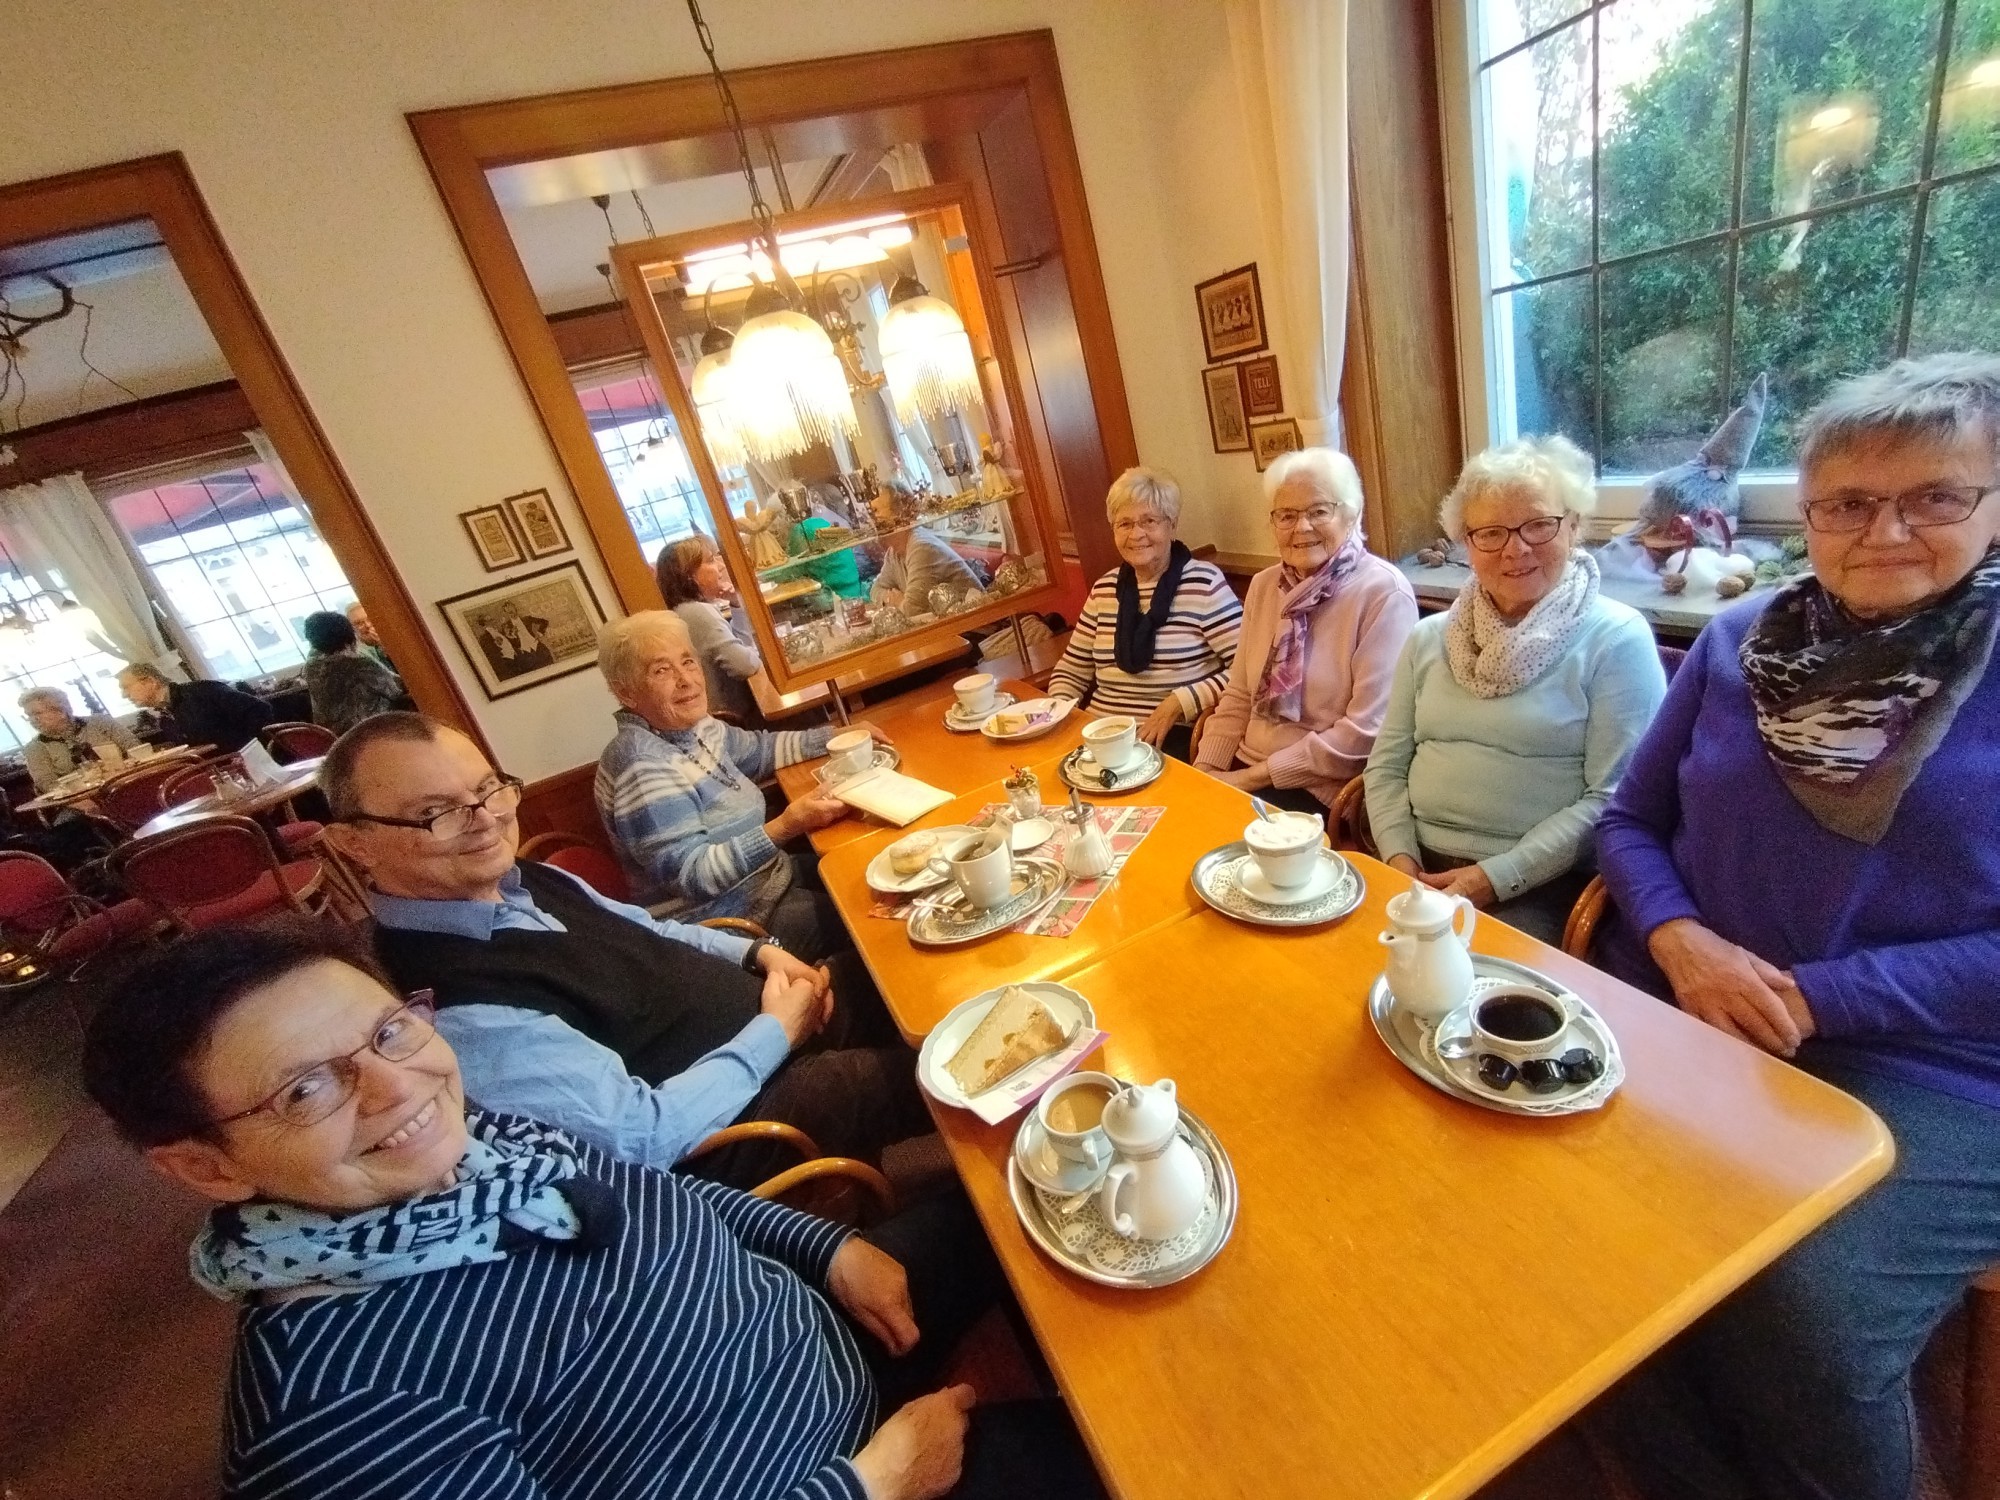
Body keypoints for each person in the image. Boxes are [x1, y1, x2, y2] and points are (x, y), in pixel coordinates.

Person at [81, 921, 1105, 1500]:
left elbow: (662, 1193)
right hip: (832, 1472)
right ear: (204, 1167)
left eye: (389, 1033)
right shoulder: (334, 1418)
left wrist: (827, 1249)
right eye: (307, 1089)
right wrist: (870, 1485)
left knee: (1036, 1203)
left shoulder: (480, 1145)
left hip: (831, 1330)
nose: (396, 1088)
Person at [1593, 354, 2000, 1500]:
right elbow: (1627, 821)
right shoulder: (1734, 641)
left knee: (1801, 1305)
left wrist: (1816, 997)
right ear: (1806, 516)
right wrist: (1678, 941)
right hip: (1695, 1010)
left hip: (1936, 1063)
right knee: (1582, 1223)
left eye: (1933, 496)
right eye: (1845, 503)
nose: (1883, 531)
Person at [320, 712, 929, 1186]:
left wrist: (758, 955)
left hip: (769, 1020)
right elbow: (642, 1137)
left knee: (896, 967)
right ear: (354, 844)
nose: (483, 818)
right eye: (435, 812)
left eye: (488, 789)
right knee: (928, 1076)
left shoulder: (520, 878)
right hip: (739, 1121)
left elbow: (651, 929)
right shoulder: (454, 1004)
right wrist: (776, 1033)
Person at [1362, 437, 1666, 943]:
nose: (1515, 548)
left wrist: (1491, 879)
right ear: (1466, 543)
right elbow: (1386, 765)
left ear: (1574, 526)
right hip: (1408, 863)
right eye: (1491, 533)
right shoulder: (1429, 638)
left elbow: (1612, 798)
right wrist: (1400, 864)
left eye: (1538, 524)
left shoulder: (1616, 639)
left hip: (1535, 884)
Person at [594, 610, 888, 959]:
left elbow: (759, 750)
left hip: (767, 879)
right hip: (727, 923)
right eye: (661, 670)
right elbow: (695, 876)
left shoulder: (692, 728)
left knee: (869, 870)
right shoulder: (641, 765)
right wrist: (786, 825)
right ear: (626, 692)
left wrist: (836, 737)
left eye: (688, 662)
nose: (685, 679)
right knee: (872, 921)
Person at [1193, 448, 1418, 816]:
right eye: (1287, 515)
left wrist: (1248, 779)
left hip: (1320, 790)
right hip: (1244, 768)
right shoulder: (1264, 586)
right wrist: (1205, 771)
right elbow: (1238, 695)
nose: (1301, 527)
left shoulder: (1383, 594)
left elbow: (1365, 732)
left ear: (1352, 514)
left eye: (1318, 511)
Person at [1045, 466, 1242, 761]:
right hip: (1099, 734)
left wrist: (1180, 701)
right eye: (1124, 524)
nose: (1136, 534)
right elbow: (1071, 670)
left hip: (1168, 736)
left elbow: (1248, 670)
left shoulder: (1204, 584)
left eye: (1149, 521)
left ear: (1172, 525)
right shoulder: (1104, 589)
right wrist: (1060, 716)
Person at [656, 533, 763, 724]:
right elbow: (745, 666)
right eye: (711, 560)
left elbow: (742, 650)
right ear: (689, 576)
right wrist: (755, 653)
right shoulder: (698, 613)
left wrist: (736, 605)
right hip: (732, 722)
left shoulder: (688, 609)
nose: (720, 566)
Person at [117, 662, 275, 754]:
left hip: (261, 762)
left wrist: (251, 752)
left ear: (150, 682)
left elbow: (260, 709)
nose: (124, 695)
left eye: (126, 687)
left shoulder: (203, 691)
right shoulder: (165, 720)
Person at [868, 481, 980, 609]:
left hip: (977, 618)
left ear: (899, 513)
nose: (872, 520)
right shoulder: (893, 553)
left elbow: (911, 610)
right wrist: (890, 599)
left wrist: (899, 603)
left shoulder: (922, 549)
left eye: (876, 511)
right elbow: (875, 590)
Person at [301, 610, 407, 734]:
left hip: (335, 735)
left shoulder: (310, 666)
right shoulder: (356, 662)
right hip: (372, 729)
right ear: (348, 633)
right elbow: (396, 689)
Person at [17, 686, 139, 791]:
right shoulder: (34, 748)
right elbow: (47, 784)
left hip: (128, 782)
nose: (33, 720)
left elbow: (135, 749)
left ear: (61, 711)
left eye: (37, 713)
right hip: (81, 799)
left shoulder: (100, 722)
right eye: (29, 715)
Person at [344, 601, 396, 674]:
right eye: (359, 623)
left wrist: (383, 645)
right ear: (351, 628)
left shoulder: (392, 636)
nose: (367, 625)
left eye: (369, 619)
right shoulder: (358, 653)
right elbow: (385, 675)